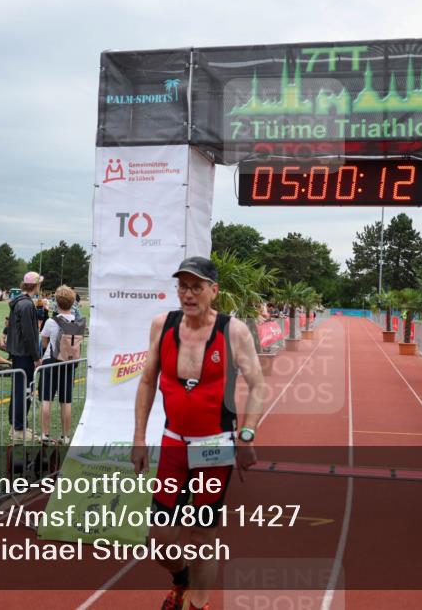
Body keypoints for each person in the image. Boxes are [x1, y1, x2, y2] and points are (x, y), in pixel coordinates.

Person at [132, 257, 269, 610]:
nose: (188, 294)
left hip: (215, 447)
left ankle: (198, 605)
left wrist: (247, 436)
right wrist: (138, 438)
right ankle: (182, 579)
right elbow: (147, 381)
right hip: (174, 443)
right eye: (182, 286)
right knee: (160, 539)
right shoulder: (162, 325)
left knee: (203, 535)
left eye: (196, 286)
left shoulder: (233, 331)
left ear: (213, 290)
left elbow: (257, 386)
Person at [38, 285, 82, 445]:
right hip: (69, 362)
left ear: (56, 301)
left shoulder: (51, 321)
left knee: (46, 399)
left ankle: (45, 433)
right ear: (72, 303)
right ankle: (66, 435)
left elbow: (44, 342)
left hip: (51, 361)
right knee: (66, 401)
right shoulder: (77, 322)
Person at [7, 272, 43, 442]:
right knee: (24, 391)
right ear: (36, 285)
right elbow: (29, 334)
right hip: (25, 354)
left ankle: (15, 425)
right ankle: (19, 428)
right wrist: (36, 357)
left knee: (18, 390)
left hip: (17, 352)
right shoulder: (27, 305)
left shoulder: (20, 302)